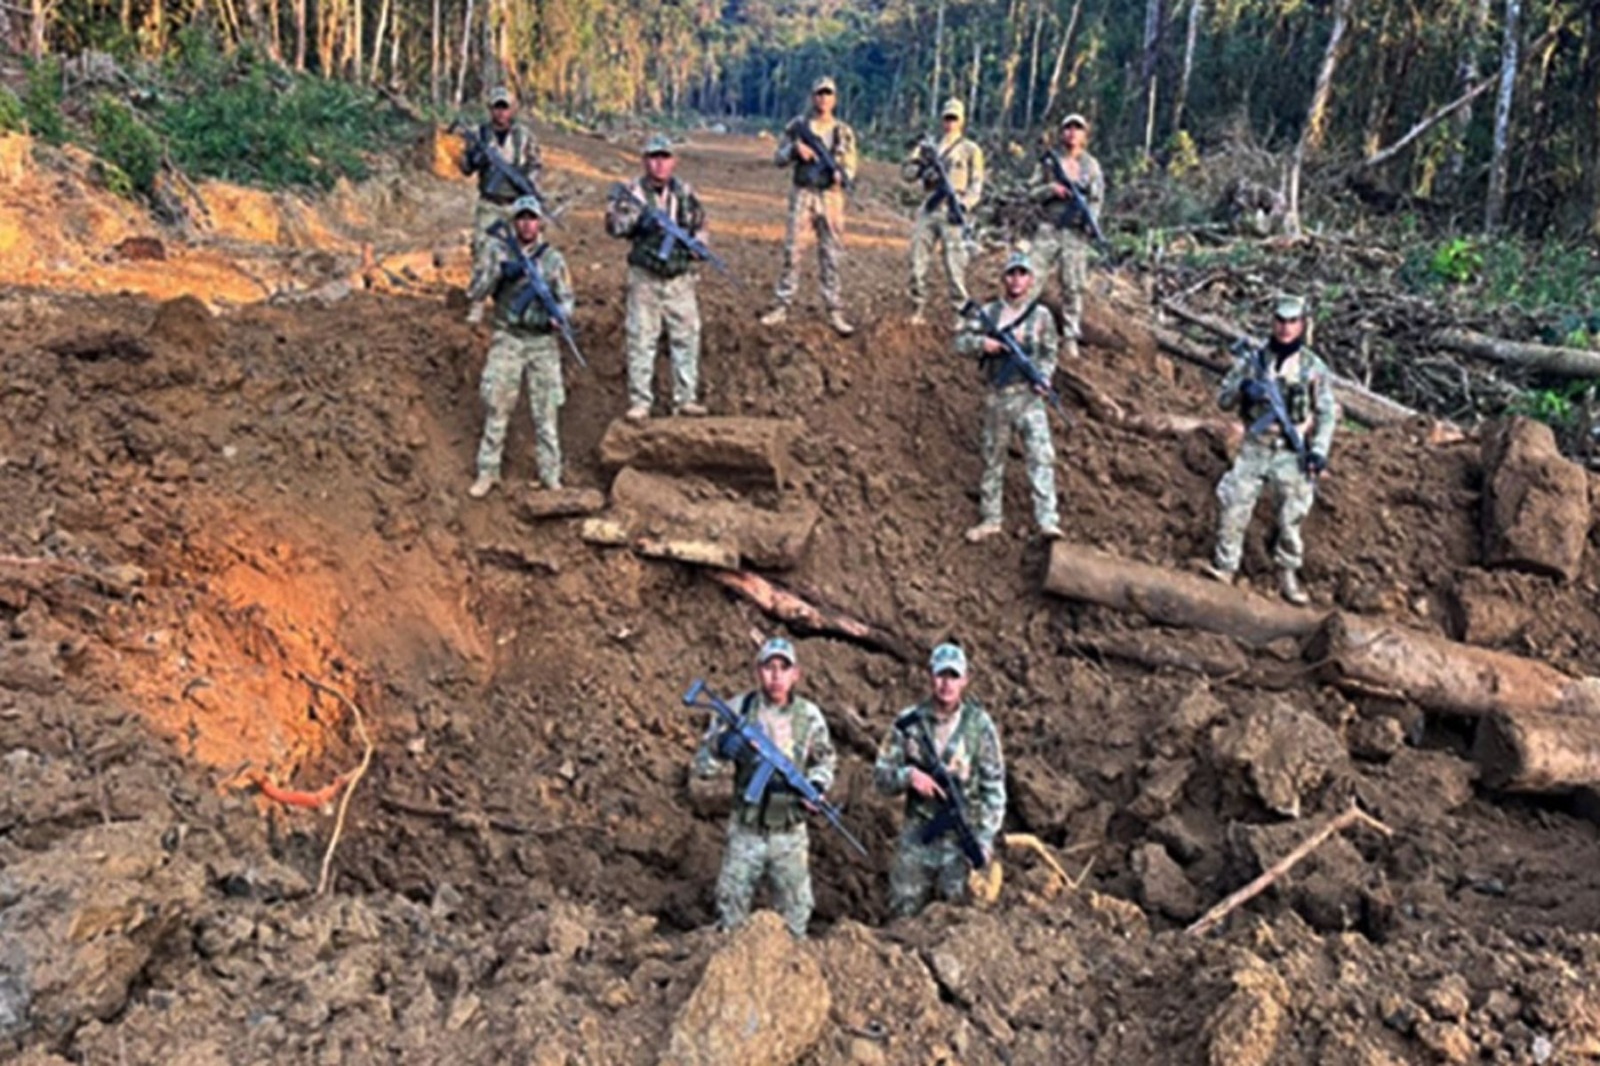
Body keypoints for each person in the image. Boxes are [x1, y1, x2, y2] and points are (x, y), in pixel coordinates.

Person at [692, 637, 838, 938]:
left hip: (789, 834)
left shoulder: (808, 716)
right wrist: (724, 747)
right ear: (758, 671)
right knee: (730, 909)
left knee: (797, 913)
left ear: (795, 674)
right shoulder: (738, 709)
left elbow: (825, 759)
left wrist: (816, 784)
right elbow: (701, 768)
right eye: (769, 667)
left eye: (783, 668)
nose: (776, 676)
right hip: (747, 829)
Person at [1201, 295, 1337, 605]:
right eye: (1280, 321)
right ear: (1272, 322)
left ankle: (1287, 573)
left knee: (1292, 514)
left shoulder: (1313, 368)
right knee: (1234, 501)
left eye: (1292, 322)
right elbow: (1223, 400)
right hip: (1255, 445)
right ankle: (1225, 567)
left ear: (1302, 325)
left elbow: (1327, 413)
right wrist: (1244, 391)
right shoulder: (1253, 362)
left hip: (1291, 449)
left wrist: (1318, 450)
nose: (1285, 328)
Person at [873, 643, 1006, 919]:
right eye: (940, 675)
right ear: (930, 676)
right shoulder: (908, 724)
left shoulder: (979, 727)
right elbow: (881, 778)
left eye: (953, 676)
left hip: (960, 839)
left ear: (965, 679)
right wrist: (908, 776)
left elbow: (994, 788)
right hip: (917, 835)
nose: (946, 684)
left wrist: (983, 838)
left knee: (956, 919)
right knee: (902, 915)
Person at [464, 194, 573, 499]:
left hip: (542, 342)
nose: (527, 224)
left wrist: (559, 318)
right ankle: (487, 472)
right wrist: (501, 271)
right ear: (514, 222)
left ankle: (550, 476)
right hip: (508, 337)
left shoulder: (553, 260)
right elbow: (475, 290)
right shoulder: (497, 250)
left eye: (533, 218)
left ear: (540, 223)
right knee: (497, 404)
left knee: (546, 410)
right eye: (522, 218)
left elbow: (566, 299)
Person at [954, 252, 1063, 543]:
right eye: (1011, 274)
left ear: (1030, 279)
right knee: (993, 459)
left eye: (1022, 274)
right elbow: (959, 342)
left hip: (1028, 397)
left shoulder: (1041, 316)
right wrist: (983, 343)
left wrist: (1044, 378)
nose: (1016, 280)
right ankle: (991, 519)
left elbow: (1050, 352)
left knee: (1041, 457)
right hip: (998, 396)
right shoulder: (989, 313)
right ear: (1004, 278)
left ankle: (1047, 521)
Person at [604, 134, 709, 422]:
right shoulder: (632, 192)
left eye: (664, 158)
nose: (659, 164)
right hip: (645, 277)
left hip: (679, 278)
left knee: (687, 338)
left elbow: (700, 225)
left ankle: (685, 399)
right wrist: (640, 221)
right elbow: (613, 226)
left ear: (673, 161)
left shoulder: (684, 193)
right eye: (653, 157)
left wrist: (699, 246)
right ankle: (640, 402)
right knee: (641, 339)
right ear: (644, 161)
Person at [759, 75, 860, 337]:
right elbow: (778, 158)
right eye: (819, 93)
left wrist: (843, 174)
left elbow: (851, 165)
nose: (824, 98)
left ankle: (834, 310)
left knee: (831, 255)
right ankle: (782, 305)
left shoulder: (843, 132)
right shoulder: (798, 126)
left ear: (834, 99)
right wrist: (795, 150)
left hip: (831, 198)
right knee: (792, 251)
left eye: (828, 94)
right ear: (813, 97)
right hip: (803, 193)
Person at [458, 87, 543, 322]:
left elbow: (536, 164)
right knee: (484, 253)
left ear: (512, 109)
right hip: (490, 204)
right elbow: (465, 168)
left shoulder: (524, 136)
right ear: (490, 109)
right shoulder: (480, 134)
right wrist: (476, 157)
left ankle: (521, 304)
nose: (501, 113)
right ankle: (477, 303)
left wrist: (526, 181)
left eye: (505, 107)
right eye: (497, 107)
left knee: (528, 254)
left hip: (518, 205)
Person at [904, 98, 986, 326]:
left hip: (954, 207)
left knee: (954, 265)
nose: (950, 122)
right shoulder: (928, 147)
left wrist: (966, 204)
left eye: (954, 118)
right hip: (930, 206)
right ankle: (917, 306)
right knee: (916, 259)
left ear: (962, 120)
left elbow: (977, 183)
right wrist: (923, 168)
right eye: (947, 117)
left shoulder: (971, 149)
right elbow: (907, 173)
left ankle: (959, 312)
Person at [1028, 113, 1104, 354]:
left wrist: (1089, 222)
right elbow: (1031, 191)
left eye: (1077, 128)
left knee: (1073, 285)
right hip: (1049, 227)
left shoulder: (1091, 166)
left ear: (1085, 135)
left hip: (1075, 233)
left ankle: (1070, 335)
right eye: (1068, 128)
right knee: (1032, 277)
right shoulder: (1050, 163)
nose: (1072, 132)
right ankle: (1022, 325)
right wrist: (1051, 189)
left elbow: (1096, 200)